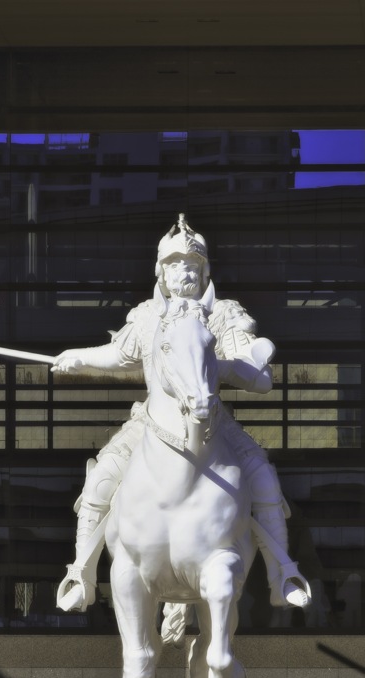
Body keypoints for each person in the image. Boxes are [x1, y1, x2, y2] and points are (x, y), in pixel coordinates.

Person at [52, 214, 311, 616]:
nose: (184, 272)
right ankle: (80, 574)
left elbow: (260, 379)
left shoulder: (224, 314)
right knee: (100, 480)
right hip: (150, 425)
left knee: (262, 476)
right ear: (162, 272)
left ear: (204, 271)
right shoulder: (145, 316)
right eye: (175, 265)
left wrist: (219, 366)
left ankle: (282, 572)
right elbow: (119, 356)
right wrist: (77, 358)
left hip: (213, 421)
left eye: (192, 265)